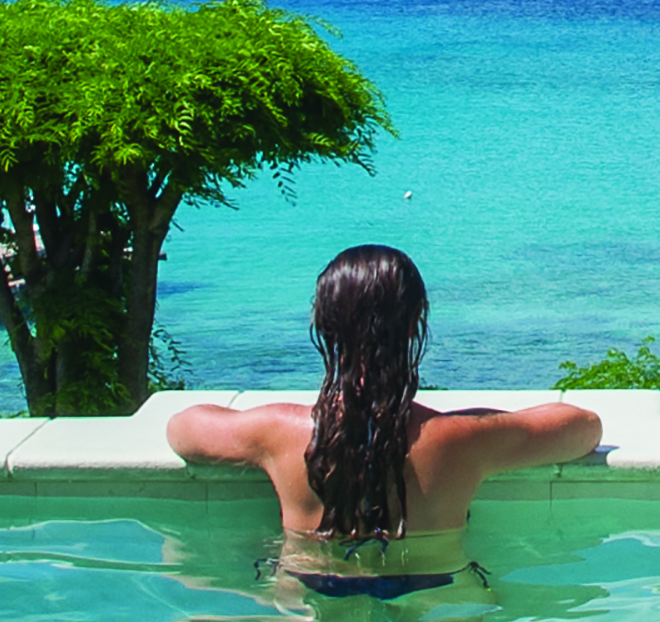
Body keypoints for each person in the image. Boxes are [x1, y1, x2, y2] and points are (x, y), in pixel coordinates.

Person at [168, 243, 600, 593]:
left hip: (309, 587)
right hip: (435, 589)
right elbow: (583, 427)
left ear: (325, 327)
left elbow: (183, 430)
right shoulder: (462, 439)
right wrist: (484, 420)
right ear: (415, 326)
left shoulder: (276, 432)